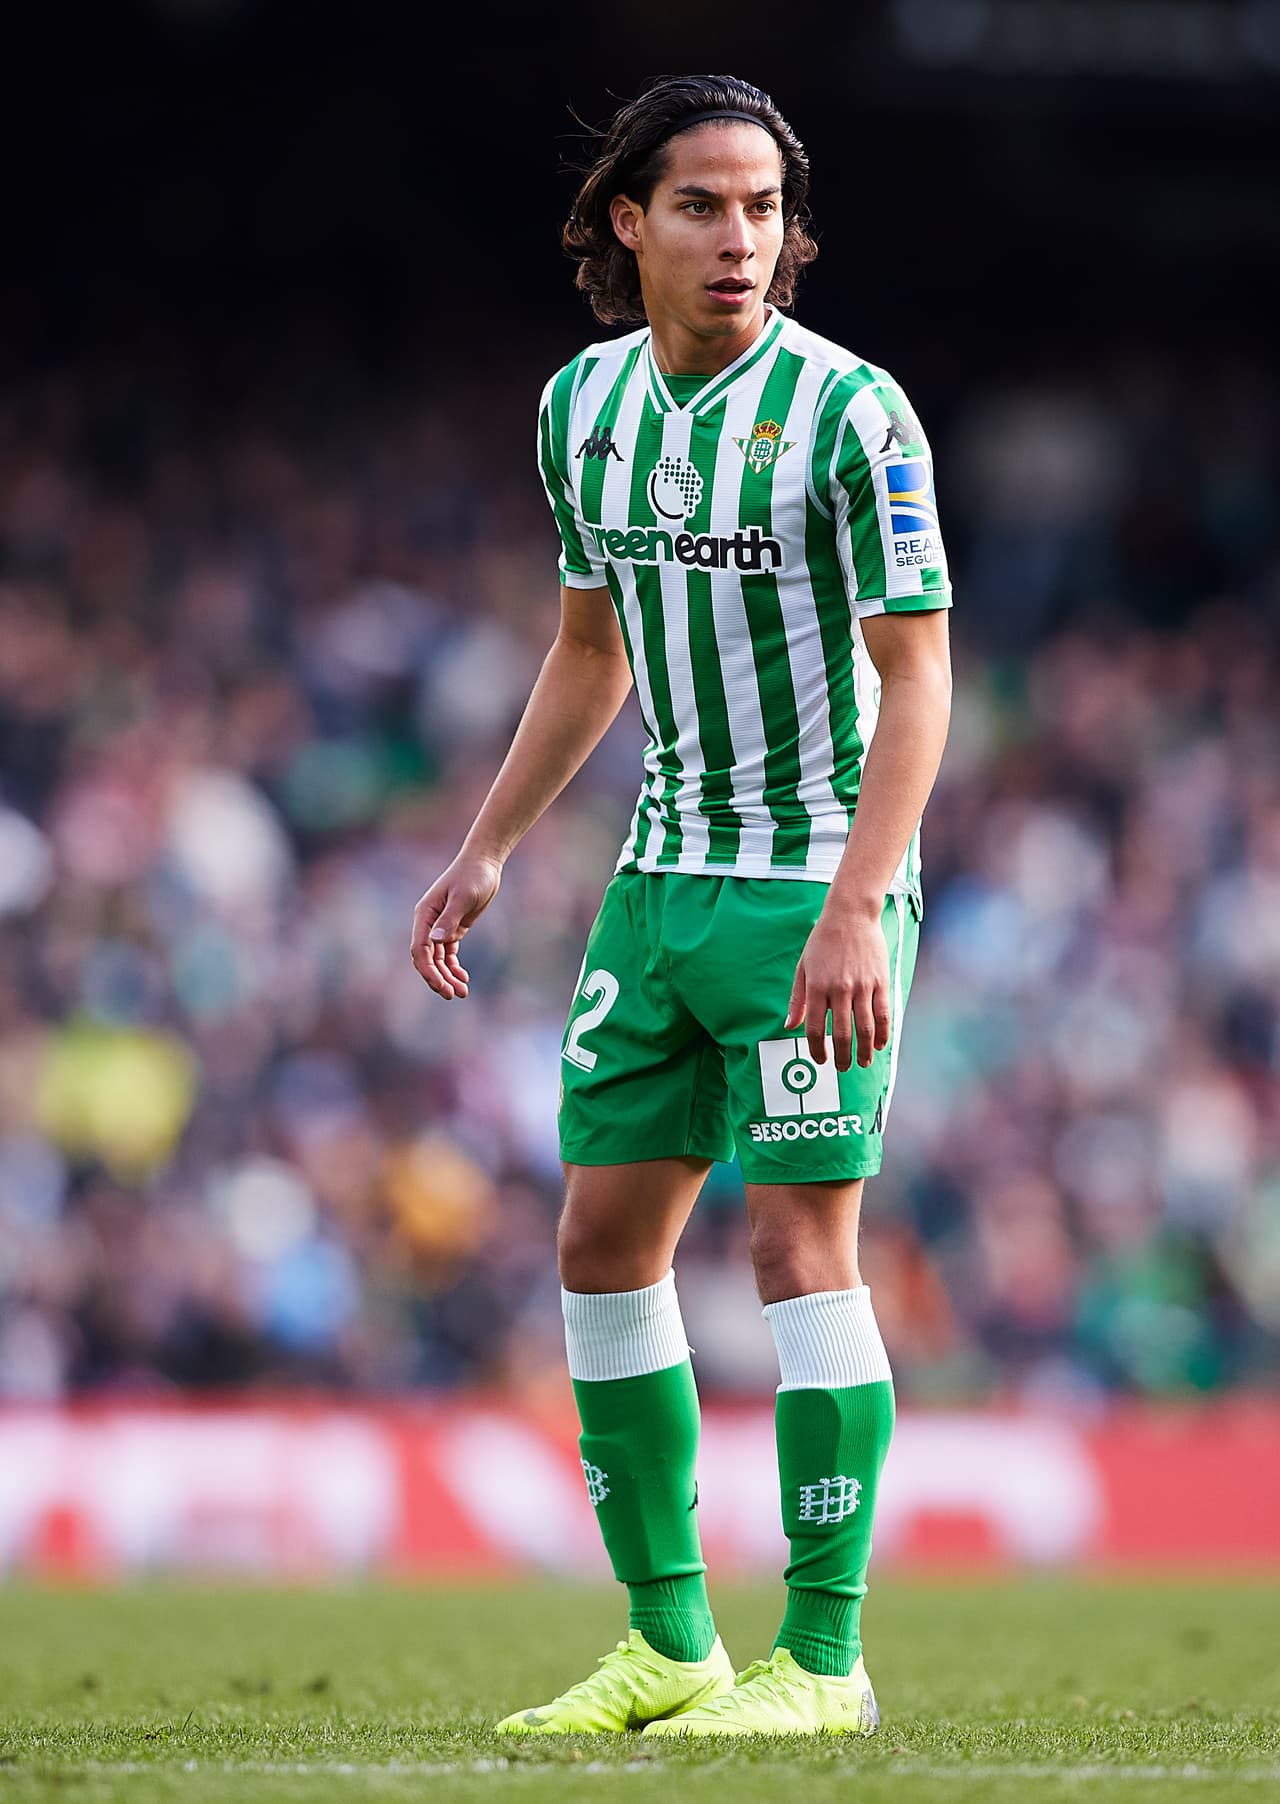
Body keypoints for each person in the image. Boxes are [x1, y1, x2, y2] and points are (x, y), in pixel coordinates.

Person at [411, 72, 952, 1738]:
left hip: (807, 888)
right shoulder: (583, 409)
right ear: (629, 222)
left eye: (766, 209)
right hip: (657, 881)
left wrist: (861, 901)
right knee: (598, 1243)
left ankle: (828, 1662)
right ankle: (667, 1640)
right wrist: (490, 839)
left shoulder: (855, 413)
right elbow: (592, 647)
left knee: (799, 1246)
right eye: (705, 206)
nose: (742, 240)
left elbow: (918, 675)